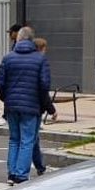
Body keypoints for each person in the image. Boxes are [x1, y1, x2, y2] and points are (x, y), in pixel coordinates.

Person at [0, 27, 51, 185]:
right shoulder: (40, 59)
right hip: (31, 106)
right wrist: (43, 105)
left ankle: (11, 174)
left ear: (18, 39)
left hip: (11, 106)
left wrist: (5, 98)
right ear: (31, 40)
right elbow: (44, 85)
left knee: (14, 139)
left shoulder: (8, 58)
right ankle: (21, 175)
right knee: (27, 140)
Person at [30, 38, 59, 175]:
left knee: (19, 140)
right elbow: (43, 90)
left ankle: (37, 166)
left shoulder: (21, 59)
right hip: (33, 107)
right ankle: (22, 173)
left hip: (16, 106)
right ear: (42, 49)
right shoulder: (40, 63)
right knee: (30, 139)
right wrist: (51, 110)